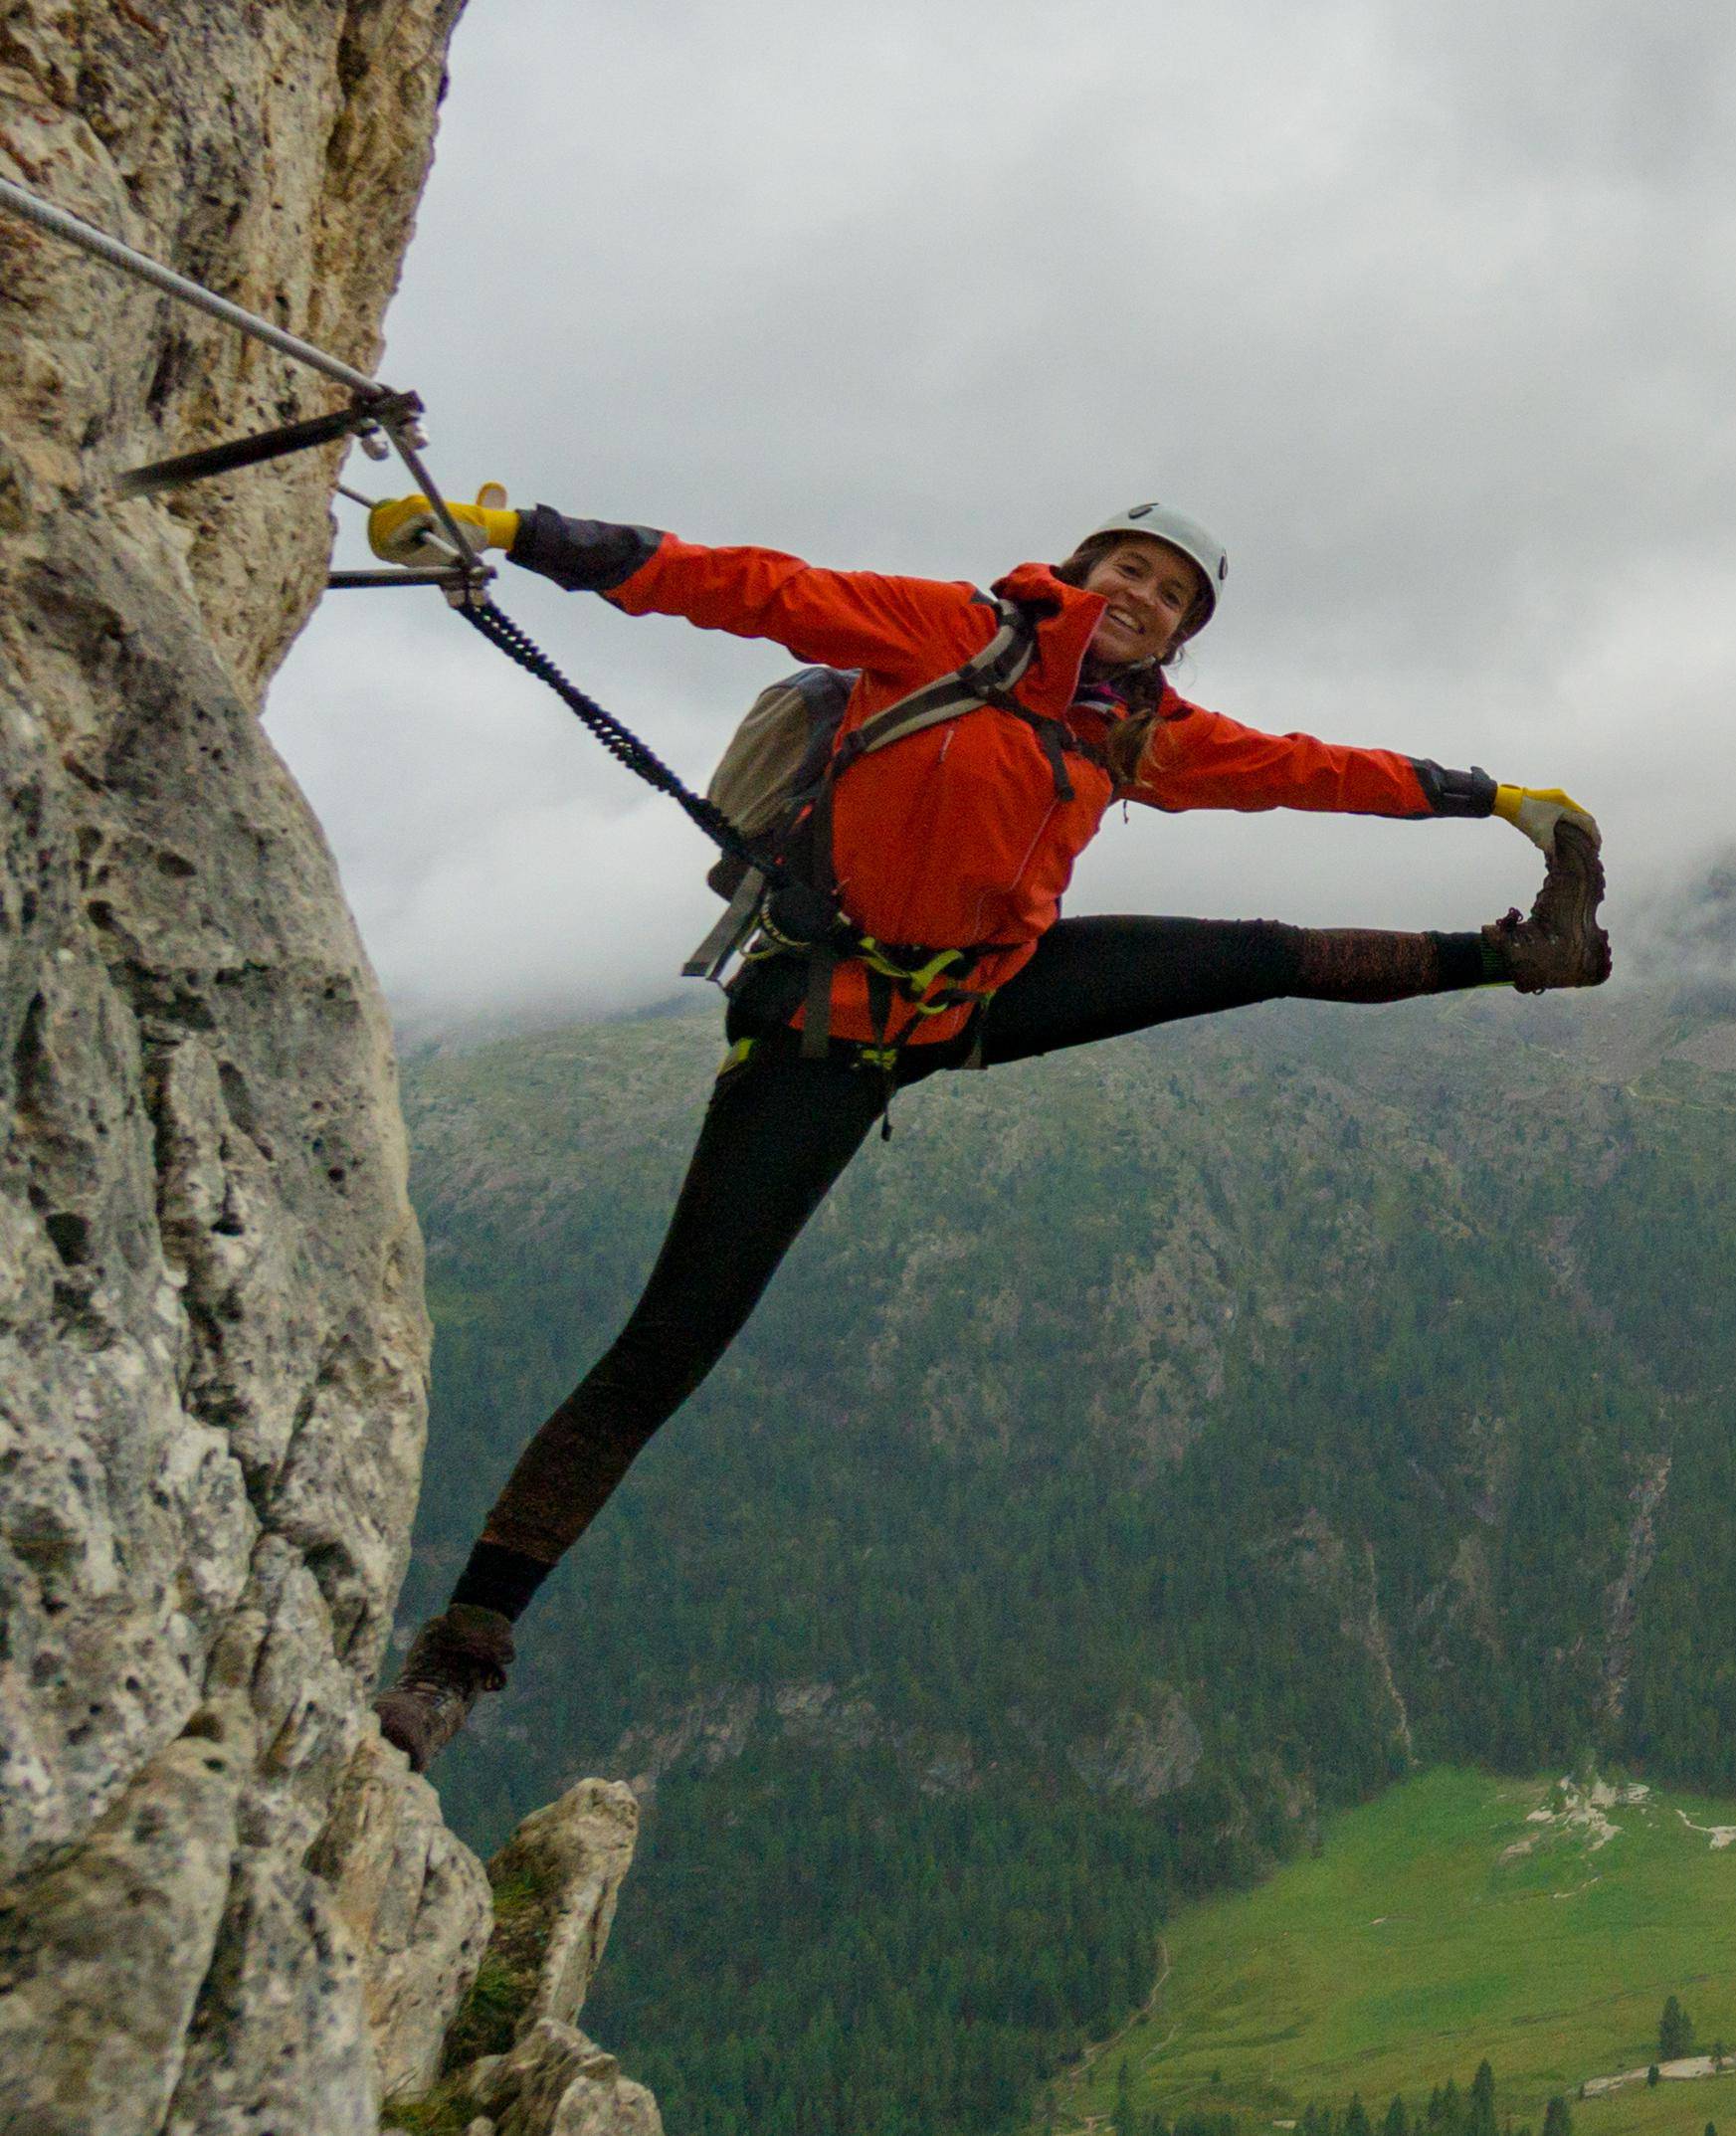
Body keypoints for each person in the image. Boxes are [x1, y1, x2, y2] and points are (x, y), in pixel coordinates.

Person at [362, 493, 1611, 1769]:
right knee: (668, 1342)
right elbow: (747, 585)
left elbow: (1310, 767)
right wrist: (510, 533)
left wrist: (1492, 797)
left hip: (982, 994)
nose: (1146, 597)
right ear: (1084, 566)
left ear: (1183, 635)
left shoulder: (1142, 734)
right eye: (1133, 568)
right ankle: (453, 1662)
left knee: (1262, 954)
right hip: (823, 1033)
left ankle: (1526, 959)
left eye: (1176, 596)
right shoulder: (945, 631)